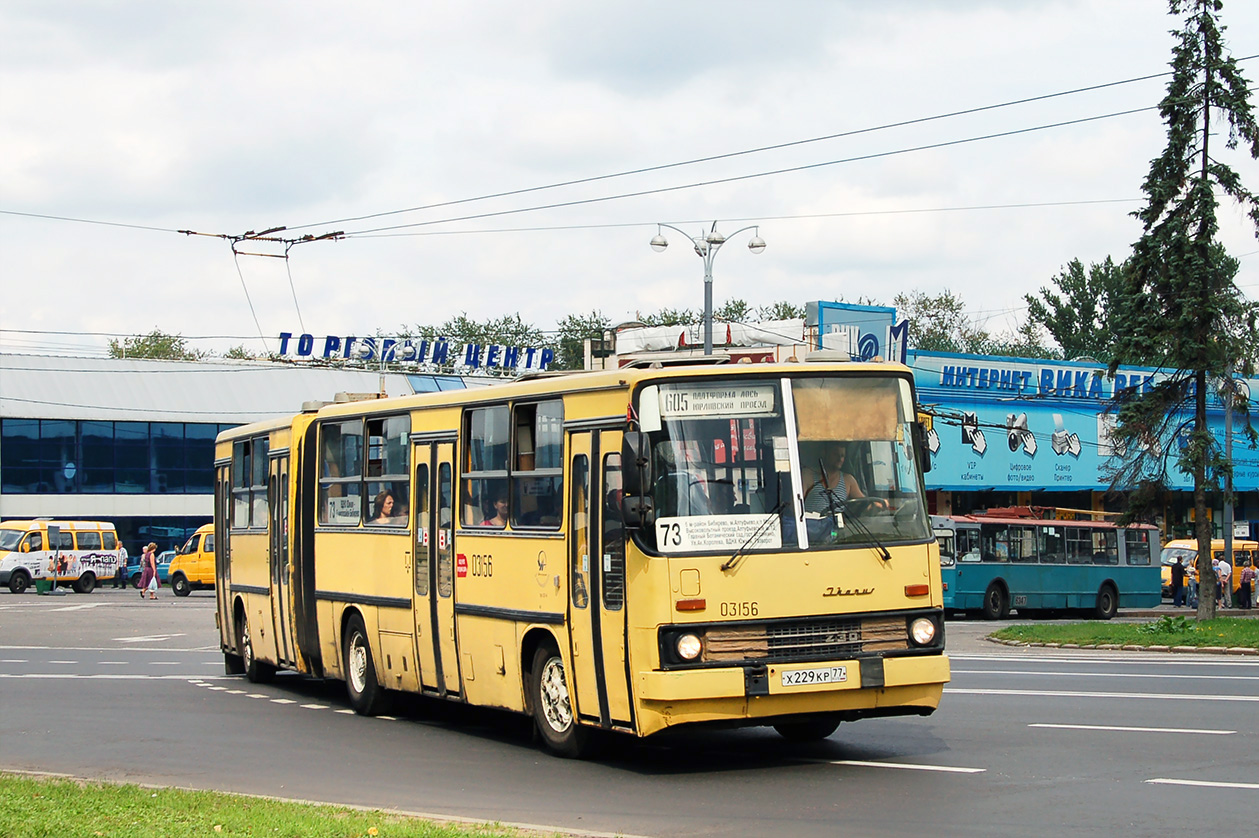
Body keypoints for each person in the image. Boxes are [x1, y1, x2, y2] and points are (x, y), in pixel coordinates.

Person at [800, 442, 884, 514]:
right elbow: (795, 506)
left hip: (837, 530)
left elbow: (863, 504)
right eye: (835, 454)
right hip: (811, 529)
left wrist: (875, 505)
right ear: (824, 453)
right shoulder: (808, 475)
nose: (840, 459)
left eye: (842, 456)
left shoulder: (848, 480)